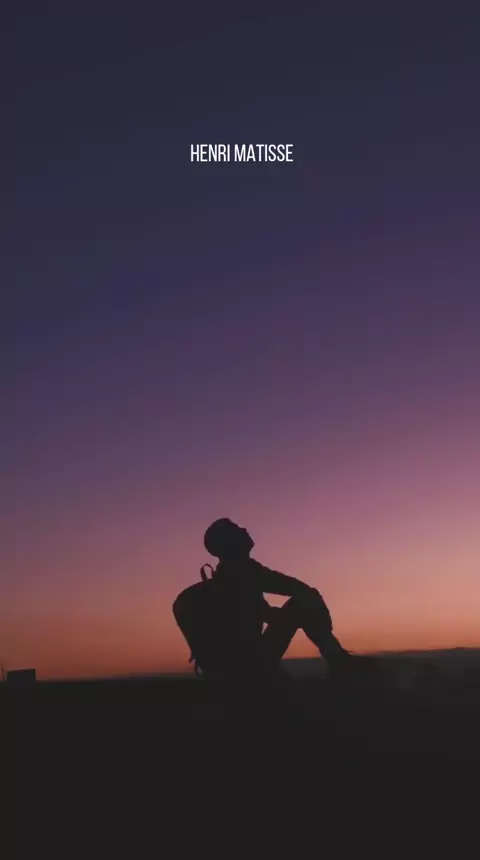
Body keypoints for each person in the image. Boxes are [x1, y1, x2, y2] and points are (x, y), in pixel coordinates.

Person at [192, 517, 353, 681]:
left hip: (241, 660)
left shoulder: (233, 571)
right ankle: (338, 660)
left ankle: (337, 659)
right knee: (306, 599)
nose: (244, 529)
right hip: (248, 662)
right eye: (236, 529)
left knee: (306, 598)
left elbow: (279, 591)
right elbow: (293, 591)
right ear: (229, 543)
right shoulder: (240, 572)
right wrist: (303, 616)